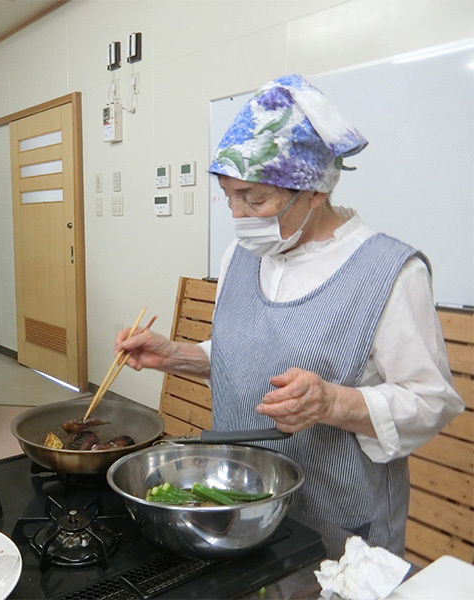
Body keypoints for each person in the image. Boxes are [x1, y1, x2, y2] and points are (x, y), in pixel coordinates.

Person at [116, 75, 464, 555]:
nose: (239, 216)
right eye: (229, 195)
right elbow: (249, 354)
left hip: (338, 524)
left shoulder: (389, 271)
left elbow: (430, 401)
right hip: (241, 508)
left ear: (315, 191)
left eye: (255, 198)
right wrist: (176, 356)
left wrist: (331, 403)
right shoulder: (240, 257)